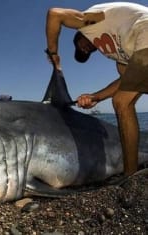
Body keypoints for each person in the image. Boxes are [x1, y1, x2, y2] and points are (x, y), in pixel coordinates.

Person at [45, 2, 148, 176]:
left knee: (121, 102)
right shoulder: (118, 53)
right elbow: (125, 82)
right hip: (140, 46)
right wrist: (95, 97)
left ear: (79, 35)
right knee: (124, 92)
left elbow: (55, 14)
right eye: (85, 53)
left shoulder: (89, 23)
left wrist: (53, 54)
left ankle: (130, 177)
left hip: (144, 29)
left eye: (81, 46)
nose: (84, 50)